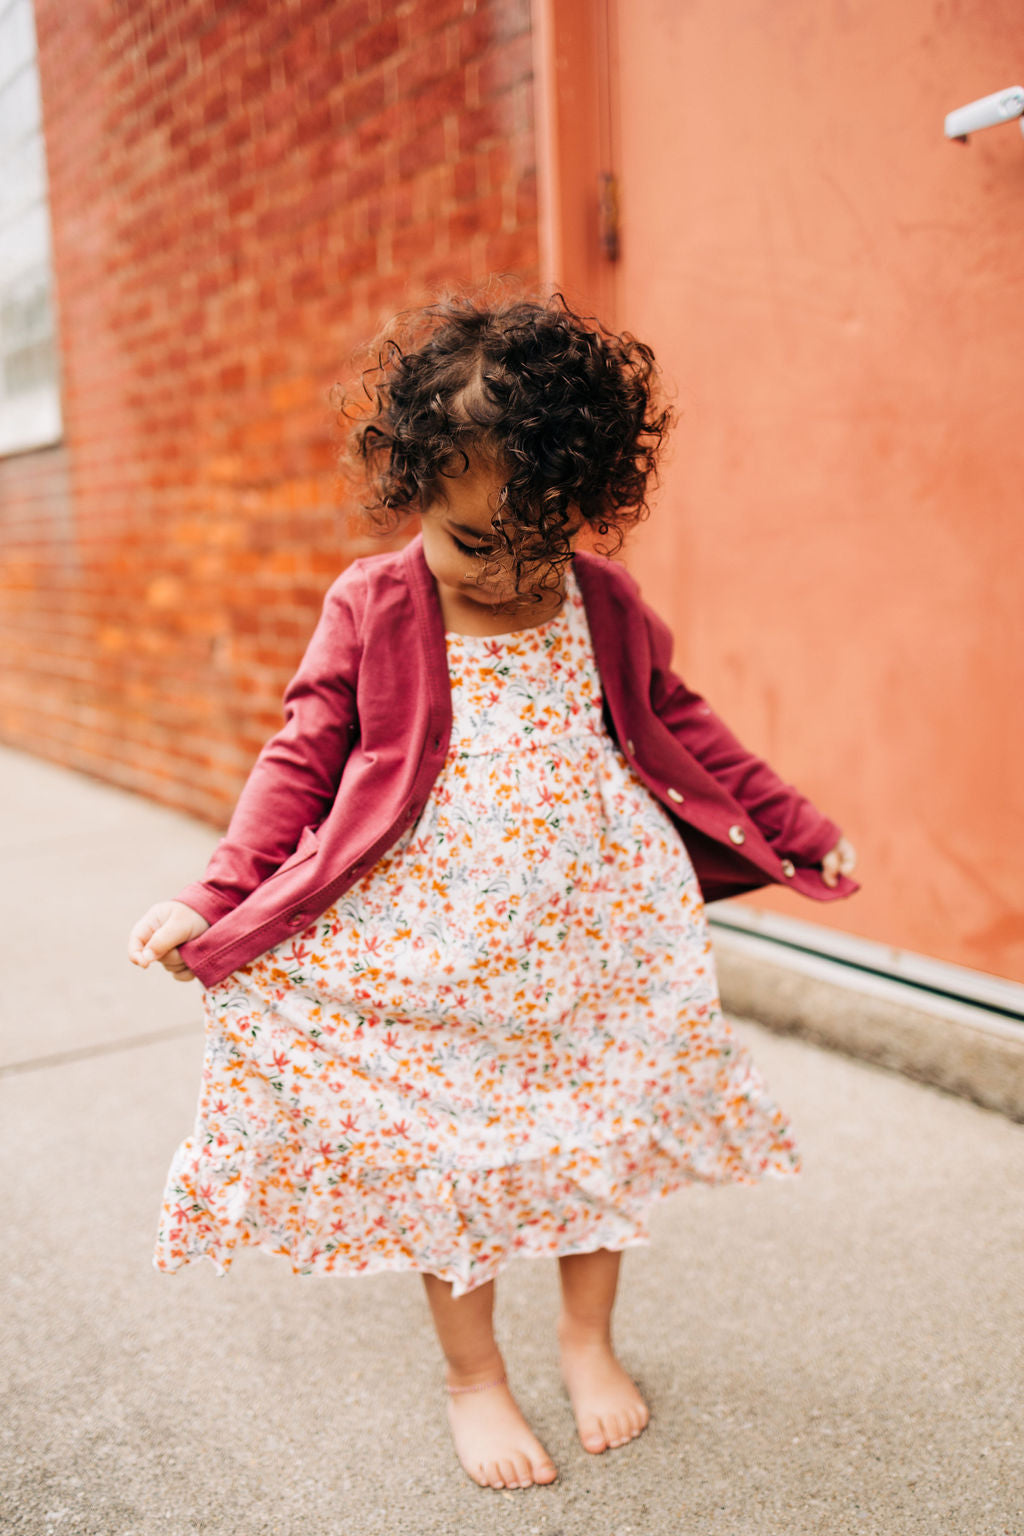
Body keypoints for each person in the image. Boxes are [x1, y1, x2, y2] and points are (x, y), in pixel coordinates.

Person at [128, 292, 858, 1493]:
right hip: (437, 947)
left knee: (593, 1135)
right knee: (453, 1154)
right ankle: (474, 1376)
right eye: (474, 544)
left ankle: (585, 1340)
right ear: (413, 488)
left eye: (539, 545)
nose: (506, 573)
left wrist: (793, 825)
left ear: (585, 506)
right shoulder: (373, 602)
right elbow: (302, 756)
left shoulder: (604, 601)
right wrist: (216, 895)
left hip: (598, 936)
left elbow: (686, 727)